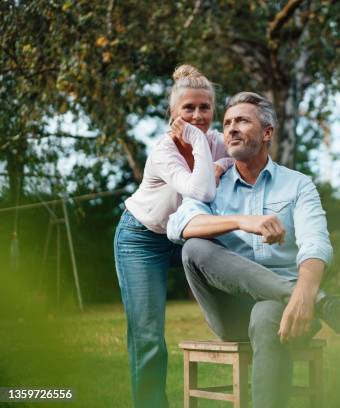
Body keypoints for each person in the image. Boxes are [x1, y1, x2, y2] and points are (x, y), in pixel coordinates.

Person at [167, 91, 340, 408]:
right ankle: (325, 304)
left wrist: (303, 294)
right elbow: (179, 226)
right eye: (227, 122)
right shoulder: (212, 181)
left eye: (242, 120)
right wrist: (243, 221)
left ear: (267, 132)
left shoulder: (298, 185)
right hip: (229, 309)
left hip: (289, 309)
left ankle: (303, 299)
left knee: (266, 316)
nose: (231, 128)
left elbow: (316, 243)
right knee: (194, 249)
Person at [114, 64, 232, 408]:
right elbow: (202, 191)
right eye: (189, 108)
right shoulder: (164, 152)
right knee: (148, 334)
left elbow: (245, 158)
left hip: (185, 234)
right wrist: (198, 143)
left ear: (213, 109)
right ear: (174, 113)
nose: (198, 115)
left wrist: (221, 164)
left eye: (205, 108)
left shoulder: (217, 143)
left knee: (241, 265)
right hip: (141, 239)